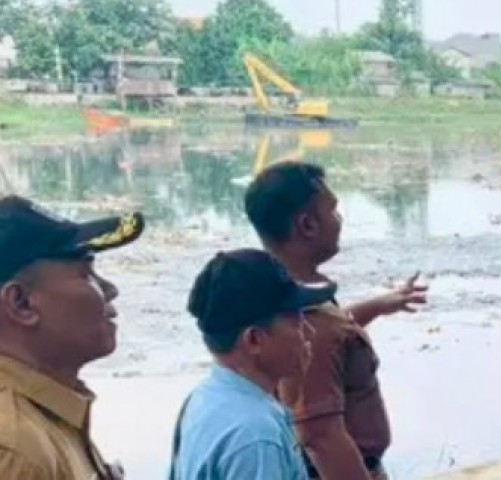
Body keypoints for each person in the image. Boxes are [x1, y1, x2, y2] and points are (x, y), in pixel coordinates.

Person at [244, 162, 428, 480]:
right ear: (307, 224)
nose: (339, 220)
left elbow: (333, 329)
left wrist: (378, 306)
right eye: (333, 210)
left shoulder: (292, 302)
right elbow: (320, 437)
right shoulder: (311, 331)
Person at [0, 195, 145, 480]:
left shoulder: (49, 409)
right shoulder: (17, 450)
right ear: (21, 304)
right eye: (86, 273)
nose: (110, 288)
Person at [170, 248, 337, 480]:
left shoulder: (203, 399)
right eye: (296, 323)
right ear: (254, 340)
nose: (308, 332)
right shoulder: (256, 436)